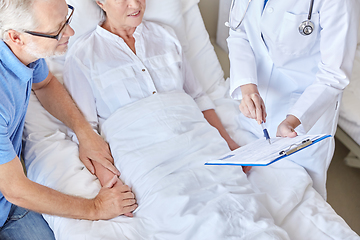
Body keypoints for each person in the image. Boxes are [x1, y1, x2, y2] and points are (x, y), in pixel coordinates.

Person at [63, 0, 252, 187]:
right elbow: (87, 131)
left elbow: (197, 98)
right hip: (146, 161)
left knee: (236, 198)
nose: (136, 5)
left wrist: (229, 143)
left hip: (198, 142)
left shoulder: (166, 37)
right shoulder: (83, 55)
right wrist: (110, 183)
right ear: (101, 2)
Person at [0, 0, 137, 239]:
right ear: (16, 37)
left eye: (67, 19)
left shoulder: (24, 51)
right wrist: (96, 208)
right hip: (12, 195)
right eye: (57, 30)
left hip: (9, 206)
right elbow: (15, 189)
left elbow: (46, 84)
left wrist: (84, 132)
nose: (70, 32)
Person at [226, 0, 359, 198]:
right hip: (253, 110)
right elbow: (239, 32)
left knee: (301, 199)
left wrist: (293, 120)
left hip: (303, 121)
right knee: (249, 193)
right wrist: (248, 88)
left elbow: (334, 74)